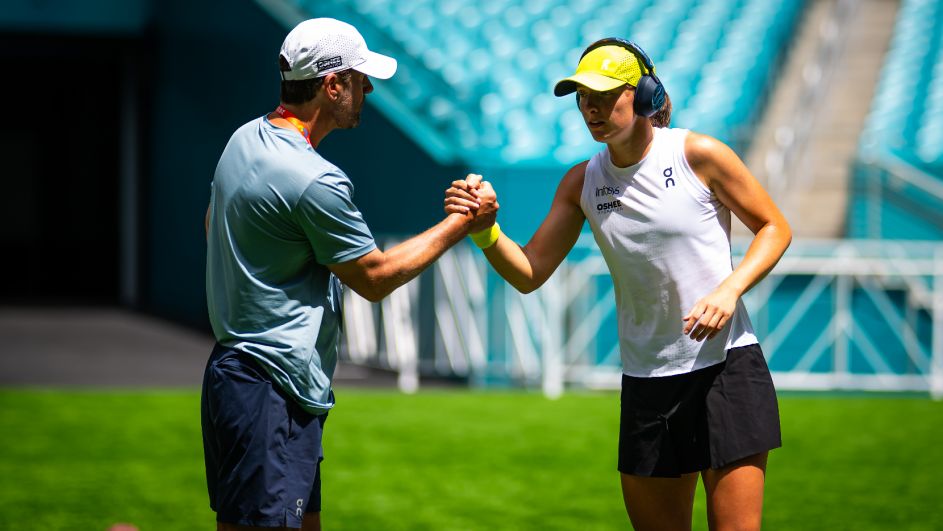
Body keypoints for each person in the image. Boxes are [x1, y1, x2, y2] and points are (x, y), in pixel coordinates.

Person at [446, 38, 791, 531]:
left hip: (727, 370)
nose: (592, 107)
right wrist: (484, 230)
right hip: (648, 383)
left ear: (646, 95)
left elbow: (775, 227)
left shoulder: (700, 153)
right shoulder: (580, 182)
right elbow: (529, 271)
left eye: (606, 95)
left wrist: (729, 289)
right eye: (584, 96)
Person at [202, 18, 495, 531]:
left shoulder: (243, 139)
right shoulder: (315, 180)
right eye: (360, 78)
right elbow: (374, 277)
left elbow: (212, 222)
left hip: (241, 377)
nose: (369, 89)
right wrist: (463, 224)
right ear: (332, 84)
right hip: (272, 389)